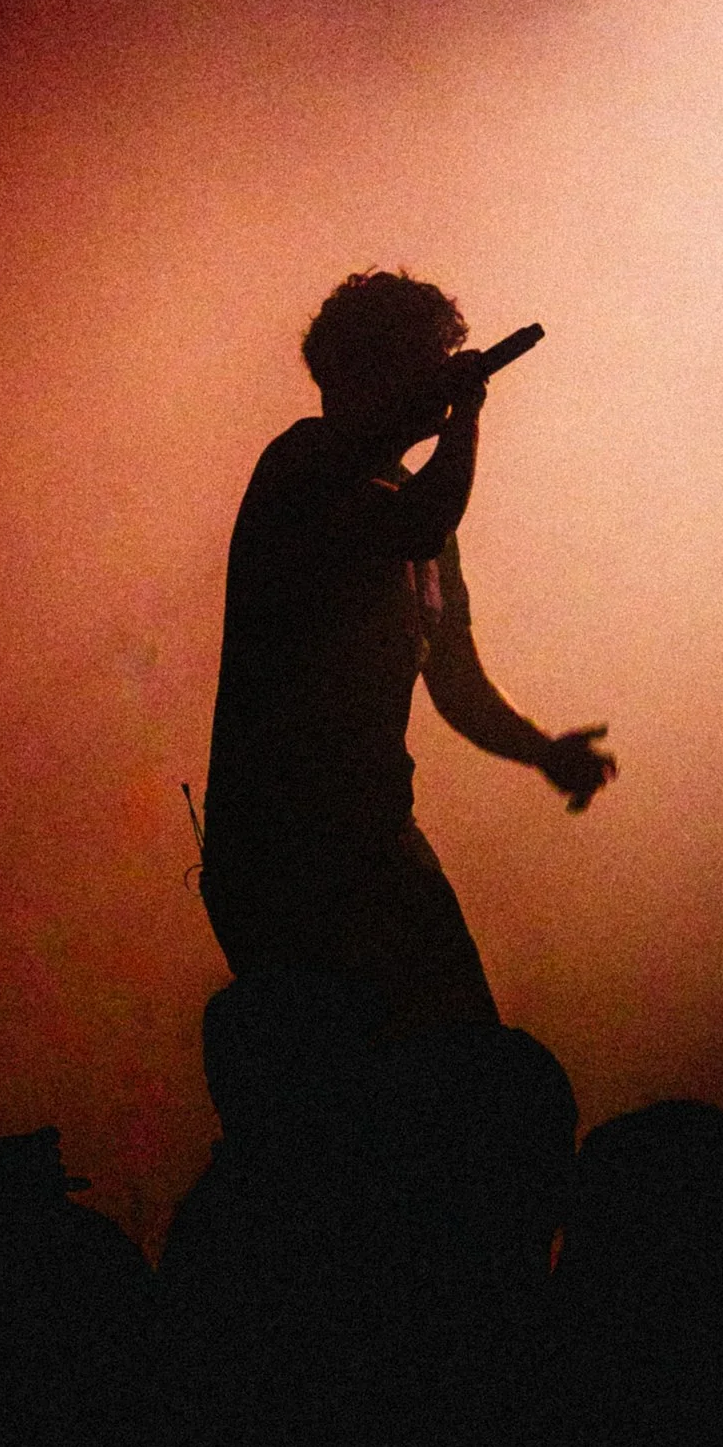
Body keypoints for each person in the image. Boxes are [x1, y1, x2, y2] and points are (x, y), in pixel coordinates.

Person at [200, 270, 613, 1037]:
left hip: (376, 841)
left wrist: (542, 750)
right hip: (283, 856)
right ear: (368, 369)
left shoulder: (417, 517)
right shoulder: (300, 465)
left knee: (465, 1057)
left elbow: (457, 683)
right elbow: (424, 518)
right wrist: (467, 415)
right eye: (428, 358)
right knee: (382, 1073)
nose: (444, 375)